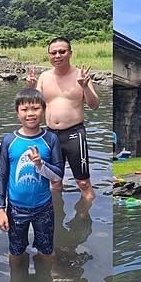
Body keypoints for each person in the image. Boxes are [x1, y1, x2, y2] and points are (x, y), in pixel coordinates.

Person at [26, 37, 99, 200]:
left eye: (62, 51)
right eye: (54, 52)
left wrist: (85, 86)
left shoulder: (80, 75)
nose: (58, 55)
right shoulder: (44, 77)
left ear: (70, 53)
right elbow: (36, 105)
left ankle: (85, 219)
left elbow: (94, 105)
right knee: (54, 181)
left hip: (74, 134)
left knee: (83, 183)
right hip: (50, 135)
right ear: (49, 55)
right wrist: (31, 88)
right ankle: (56, 216)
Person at [0, 89, 64, 265]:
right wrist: (1, 209)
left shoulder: (51, 139)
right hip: (15, 209)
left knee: (47, 252)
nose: (30, 114)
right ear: (17, 112)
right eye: (24, 109)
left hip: (43, 208)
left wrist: (40, 165)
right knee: (16, 254)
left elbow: (58, 175)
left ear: (43, 110)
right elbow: (2, 175)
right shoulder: (9, 140)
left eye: (35, 108)